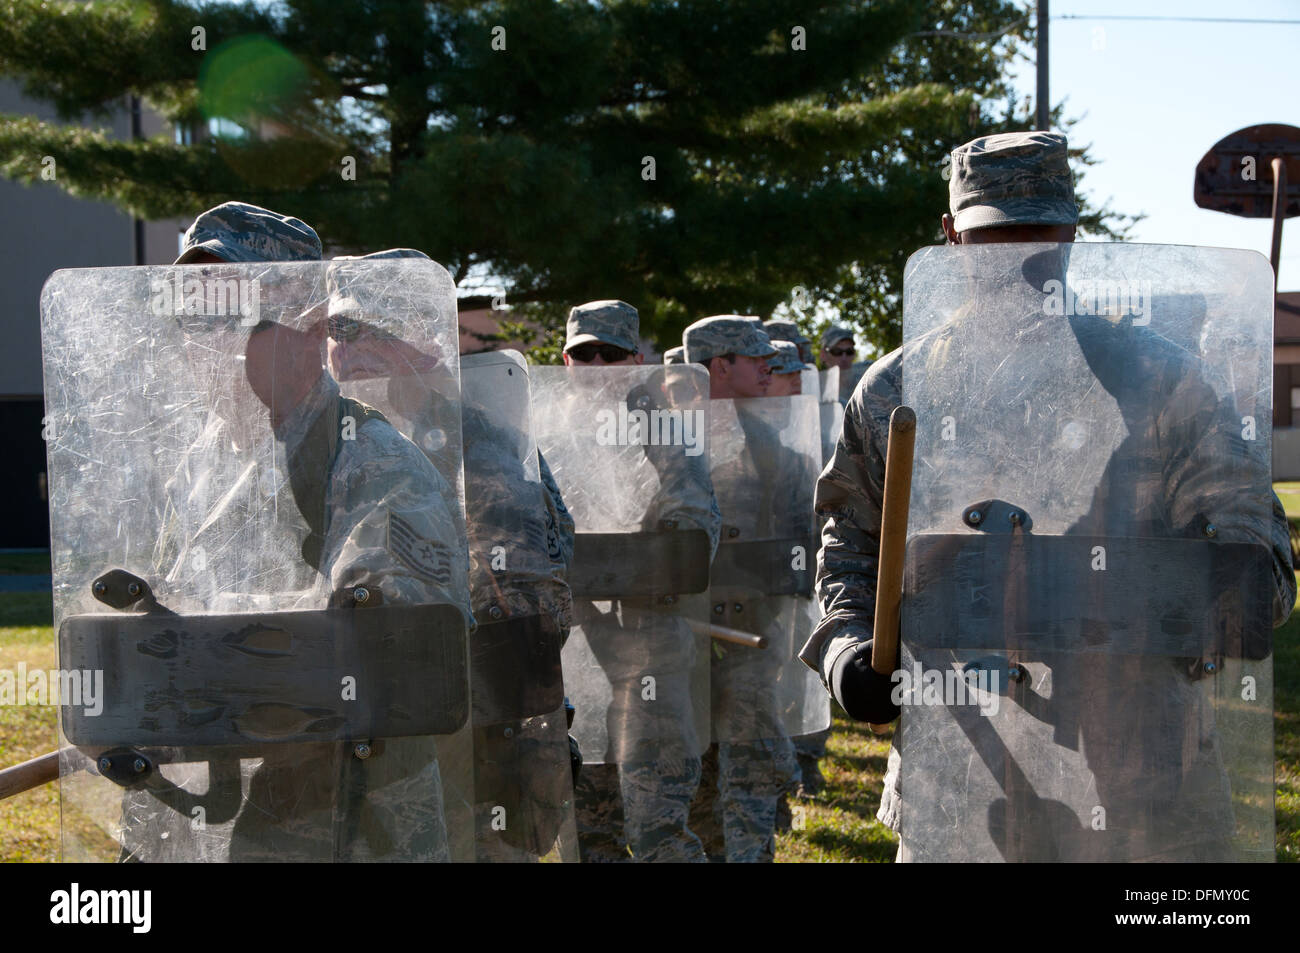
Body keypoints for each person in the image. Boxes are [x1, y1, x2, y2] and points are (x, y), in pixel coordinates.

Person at [800, 130, 1296, 861]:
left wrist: (1230, 584)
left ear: (1072, 233)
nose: (1021, 261)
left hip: (1138, 784)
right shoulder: (895, 393)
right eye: (995, 239)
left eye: (1040, 235)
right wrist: (848, 649)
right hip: (960, 775)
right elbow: (850, 545)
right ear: (950, 239)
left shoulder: (1160, 381)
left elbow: (1261, 555)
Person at [124, 207, 474, 862]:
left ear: (307, 330)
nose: (210, 341)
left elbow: (402, 670)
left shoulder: (374, 464)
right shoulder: (202, 464)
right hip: (215, 813)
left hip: (351, 823)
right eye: (195, 316)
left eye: (236, 315)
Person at [553, 300, 721, 862]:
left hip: (648, 648)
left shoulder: (665, 430)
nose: (598, 363)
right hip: (571, 654)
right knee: (588, 832)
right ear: (566, 360)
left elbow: (694, 526)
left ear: (638, 358)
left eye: (613, 353)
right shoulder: (544, 430)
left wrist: (630, 563)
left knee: (660, 828)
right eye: (584, 353)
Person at [684, 315, 822, 863]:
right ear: (721, 366)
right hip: (678, 633)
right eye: (756, 359)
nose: (770, 368)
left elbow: (801, 541)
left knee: (749, 761)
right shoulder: (668, 435)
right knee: (693, 762)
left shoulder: (771, 443)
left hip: (752, 633)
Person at [819, 325, 870, 404]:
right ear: (823, 354)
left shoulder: (867, 382)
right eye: (837, 352)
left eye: (849, 351)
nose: (844, 358)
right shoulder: (816, 386)